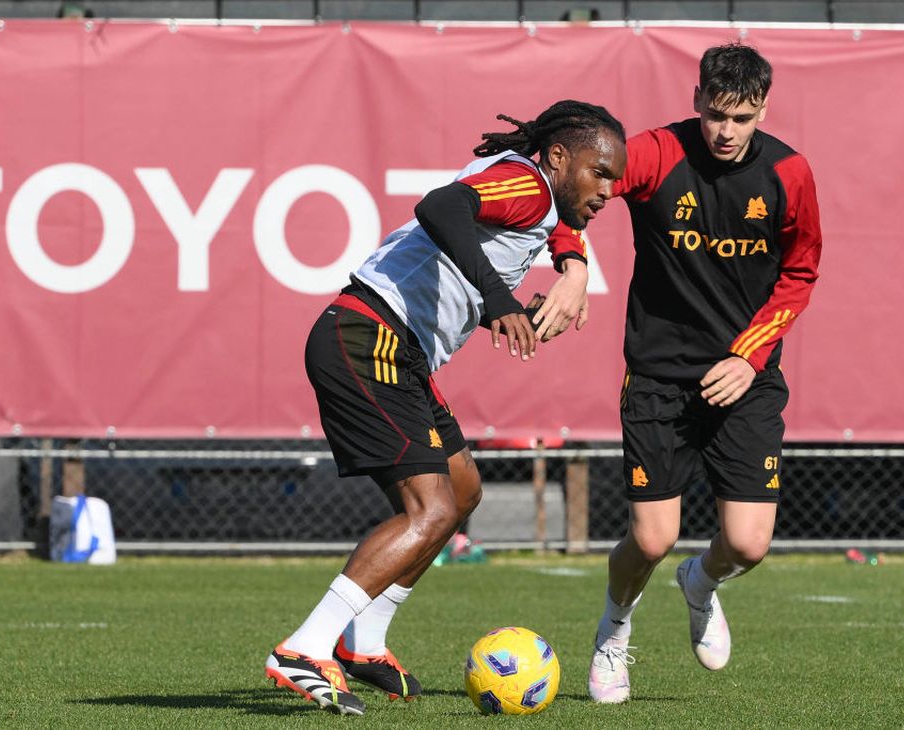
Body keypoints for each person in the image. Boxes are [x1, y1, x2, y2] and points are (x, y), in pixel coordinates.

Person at [265, 100, 627, 716]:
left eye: (615, 179)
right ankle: (305, 648)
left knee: (460, 492)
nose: (608, 190)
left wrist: (569, 266)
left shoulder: (541, 193)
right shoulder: (530, 186)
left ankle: (365, 641)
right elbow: (440, 206)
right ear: (560, 158)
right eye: (600, 173)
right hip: (369, 336)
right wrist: (498, 296)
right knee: (430, 511)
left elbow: (551, 223)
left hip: (398, 351)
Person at [582, 43, 822, 703]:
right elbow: (581, 188)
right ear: (697, 101)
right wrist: (572, 266)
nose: (725, 131)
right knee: (651, 536)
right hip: (659, 376)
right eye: (716, 114)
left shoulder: (789, 172)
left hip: (745, 377)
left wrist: (748, 356)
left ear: (763, 110)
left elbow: (800, 273)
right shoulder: (656, 153)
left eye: (742, 118)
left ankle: (702, 582)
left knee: (748, 545)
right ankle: (614, 630)